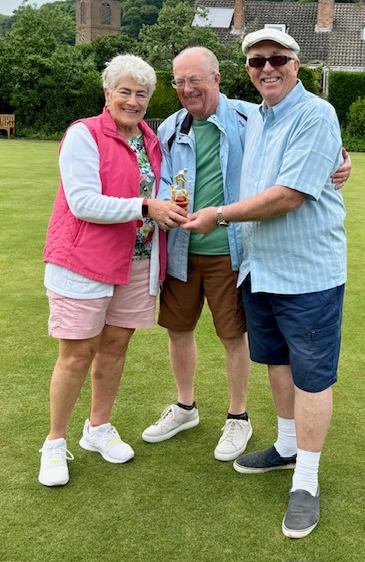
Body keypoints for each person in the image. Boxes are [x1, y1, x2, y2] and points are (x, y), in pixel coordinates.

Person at [142, 46, 350, 463]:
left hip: (233, 251)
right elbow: (158, 176)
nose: (187, 89)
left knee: (231, 335)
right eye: (180, 81)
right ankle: (185, 408)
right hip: (181, 248)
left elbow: (305, 147)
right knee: (178, 330)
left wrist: (342, 160)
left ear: (217, 79)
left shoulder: (249, 116)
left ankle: (238, 416)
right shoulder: (167, 128)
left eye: (195, 79)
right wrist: (162, 205)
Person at [182, 28, 347, 539]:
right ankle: (286, 444)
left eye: (277, 59)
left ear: (296, 63)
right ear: (247, 70)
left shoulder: (316, 113)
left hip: (307, 271)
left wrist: (220, 215)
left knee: (312, 376)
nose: (267, 68)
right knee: (275, 361)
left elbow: (289, 195)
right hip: (260, 267)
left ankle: (307, 479)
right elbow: (200, 97)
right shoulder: (253, 116)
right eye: (256, 62)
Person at [38, 54, 188, 487]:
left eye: (142, 93)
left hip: (138, 260)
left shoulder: (150, 139)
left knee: (115, 348)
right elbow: (83, 201)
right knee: (76, 355)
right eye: (124, 91)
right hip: (84, 262)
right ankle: (54, 442)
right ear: (107, 93)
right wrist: (146, 206)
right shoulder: (84, 134)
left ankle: (98, 428)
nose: (134, 100)